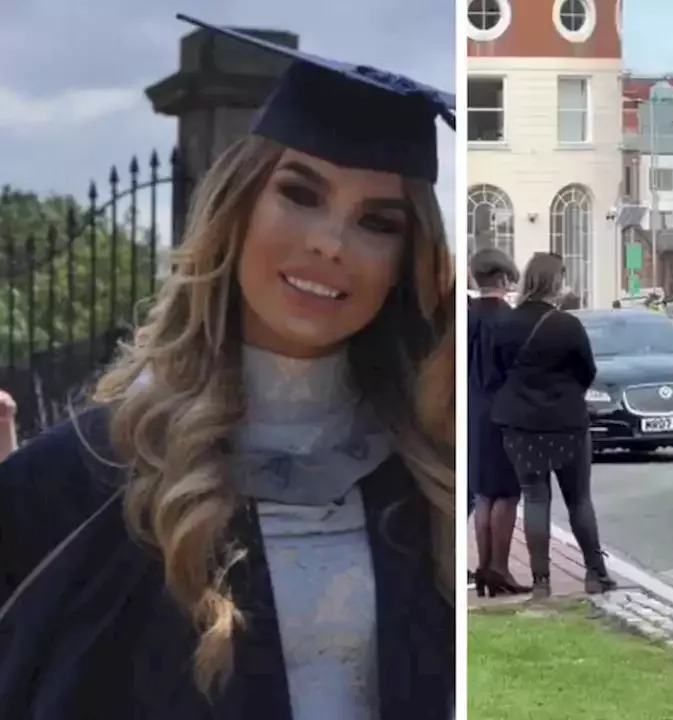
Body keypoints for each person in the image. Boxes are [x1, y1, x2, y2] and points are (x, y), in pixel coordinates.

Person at [0, 15, 456, 720]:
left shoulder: (430, 479)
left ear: (405, 261)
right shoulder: (77, 483)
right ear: (238, 208)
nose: (330, 243)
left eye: (378, 222)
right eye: (300, 194)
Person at [490, 252, 615, 599]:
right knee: (578, 500)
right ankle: (594, 572)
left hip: (519, 425)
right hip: (567, 424)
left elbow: (498, 372)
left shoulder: (506, 324)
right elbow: (587, 370)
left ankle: (541, 580)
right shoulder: (567, 325)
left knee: (535, 498)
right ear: (555, 282)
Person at [468, 247, 530, 597]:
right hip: (505, 414)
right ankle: (500, 569)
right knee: (507, 494)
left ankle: (484, 569)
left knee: (483, 495)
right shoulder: (511, 321)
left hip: (473, 412)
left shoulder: (466, 317)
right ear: (505, 280)